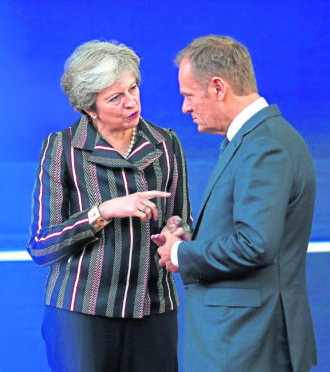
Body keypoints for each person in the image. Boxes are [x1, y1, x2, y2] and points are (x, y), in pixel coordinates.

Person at [26, 40, 192, 372]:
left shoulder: (166, 142)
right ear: (89, 108)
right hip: (80, 316)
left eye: (132, 89)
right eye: (115, 98)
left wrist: (177, 233)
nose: (131, 102)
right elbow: (41, 246)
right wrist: (101, 212)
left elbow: (183, 220)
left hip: (154, 310)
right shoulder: (62, 148)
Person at [154, 35, 317, 371]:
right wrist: (191, 240)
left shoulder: (264, 147)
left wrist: (180, 254)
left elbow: (255, 244)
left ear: (218, 88)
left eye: (188, 95)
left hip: (244, 345)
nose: (185, 107)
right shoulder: (257, 139)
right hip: (242, 342)